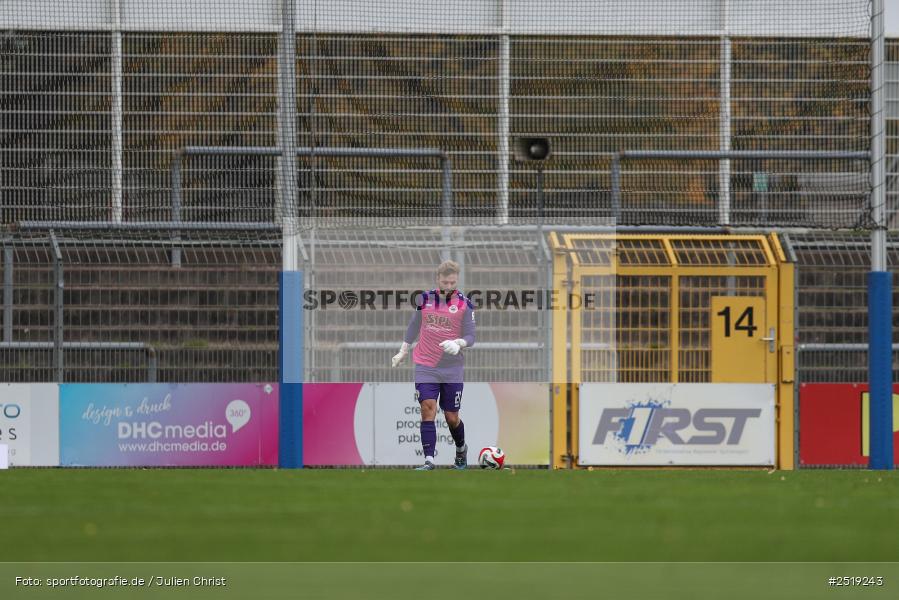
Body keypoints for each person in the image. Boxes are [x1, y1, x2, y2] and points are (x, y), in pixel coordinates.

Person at [391, 260, 475, 470]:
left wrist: (459, 343)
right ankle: (429, 460)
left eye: (452, 282)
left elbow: (471, 335)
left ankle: (461, 449)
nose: (448, 287)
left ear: (457, 280)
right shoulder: (425, 299)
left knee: (451, 417)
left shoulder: (465, 304)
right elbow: (414, 325)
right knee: (427, 408)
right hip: (425, 364)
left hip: (451, 367)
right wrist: (403, 350)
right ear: (438, 279)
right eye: (445, 282)